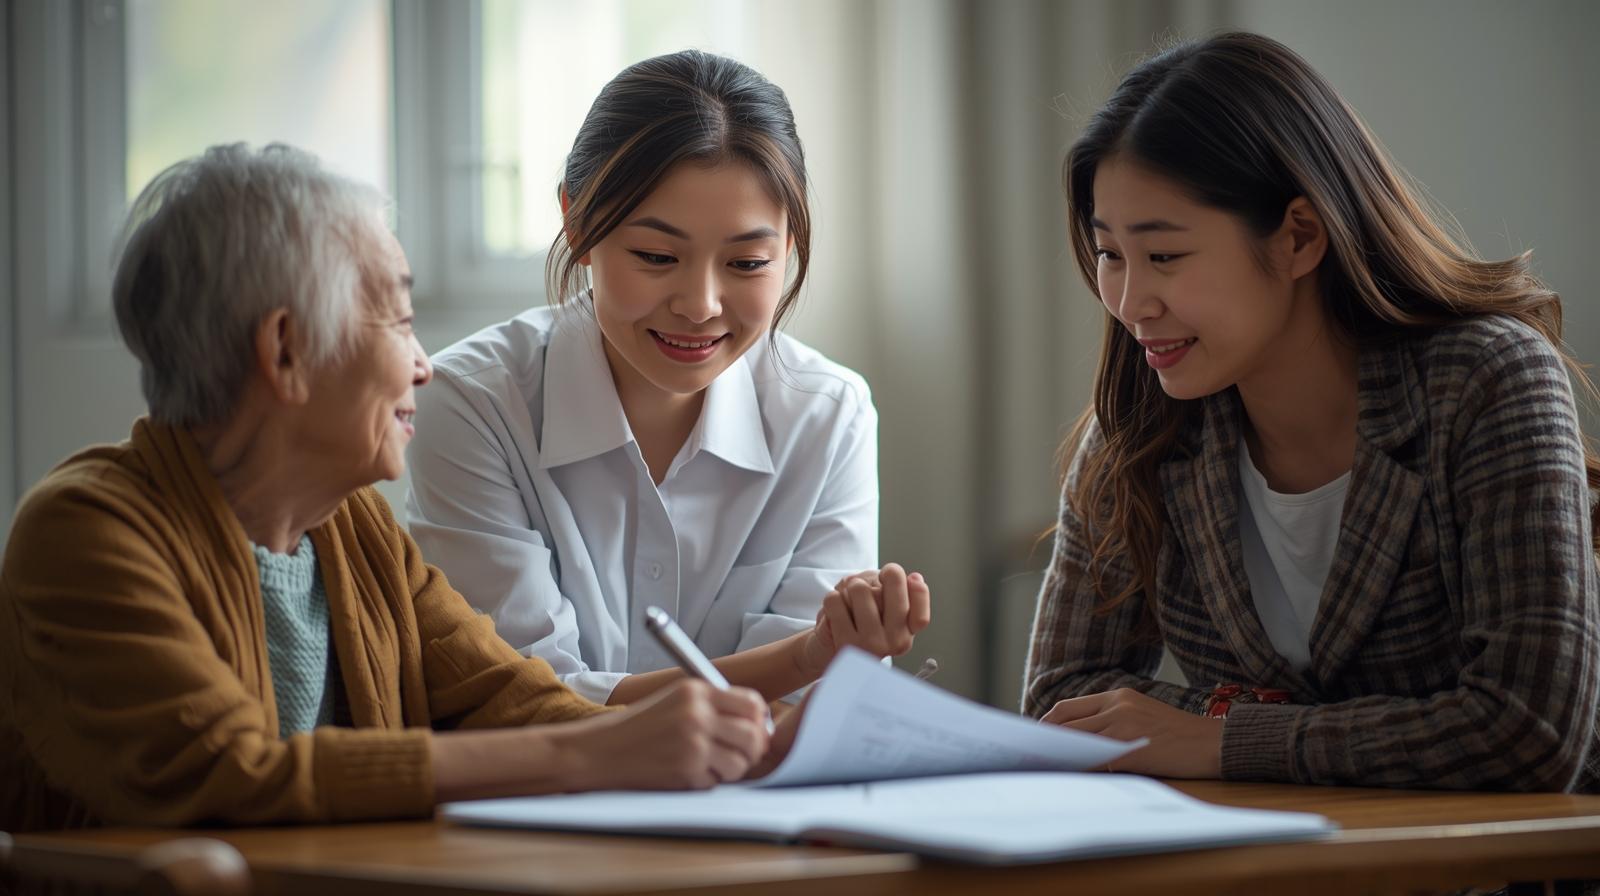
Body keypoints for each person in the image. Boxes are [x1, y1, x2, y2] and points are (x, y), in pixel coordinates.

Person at [0, 144, 787, 833]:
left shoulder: (355, 533)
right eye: (399, 322)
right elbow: (233, 771)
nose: (424, 365)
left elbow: (514, 700)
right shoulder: (85, 531)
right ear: (285, 350)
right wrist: (596, 748)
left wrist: (752, 745)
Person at [1025, 32, 1600, 791]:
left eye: (1164, 256)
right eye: (1109, 254)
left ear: (1299, 236)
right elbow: (1059, 701)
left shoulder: (1488, 380)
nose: (1131, 303)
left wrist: (1216, 737)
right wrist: (1386, 726)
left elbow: (1530, 731)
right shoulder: (1137, 427)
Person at [405, 50, 930, 709]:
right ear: (577, 222)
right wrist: (801, 658)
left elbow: (816, 706)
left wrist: (820, 662)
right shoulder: (472, 404)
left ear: (789, 245)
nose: (700, 304)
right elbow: (525, 699)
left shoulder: (828, 415)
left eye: (746, 262)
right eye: (656, 256)